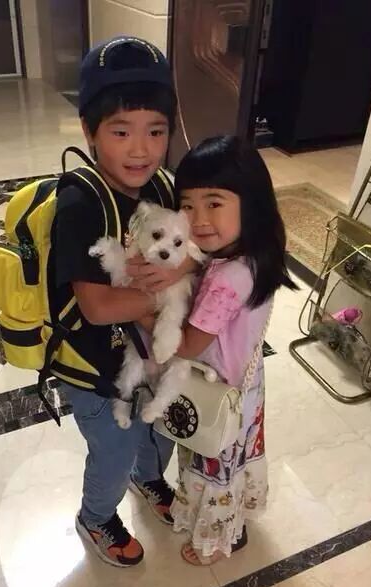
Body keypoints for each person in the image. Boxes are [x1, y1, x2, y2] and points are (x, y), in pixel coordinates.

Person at [52, 36, 190, 568]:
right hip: (90, 364)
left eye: (156, 131)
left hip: (147, 353)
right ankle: (97, 516)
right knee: (114, 447)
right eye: (120, 131)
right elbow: (97, 308)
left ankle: (149, 478)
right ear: (89, 131)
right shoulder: (80, 203)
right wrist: (157, 308)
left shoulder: (163, 187)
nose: (141, 149)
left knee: (159, 427)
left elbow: (194, 251)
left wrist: (180, 268)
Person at [141, 135, 297, 565]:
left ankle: (215, 540)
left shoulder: (227, 279)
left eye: (214, 203)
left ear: (251, 203)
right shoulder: (254, 254)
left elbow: (188, 345)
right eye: (187, 206)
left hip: (214, 390)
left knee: (211, 463)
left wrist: (141, 312)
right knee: (233, 458)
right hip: (244, 383)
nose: (199, 219)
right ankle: (235, 521)